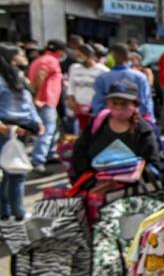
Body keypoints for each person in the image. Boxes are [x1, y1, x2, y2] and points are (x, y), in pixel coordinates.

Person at [72, 81, 164, 183]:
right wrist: (91, 181)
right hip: (97, 189)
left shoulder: (144, 131)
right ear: (108, 103)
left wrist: (126, 180)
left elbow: (154, 165)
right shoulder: (97, 124)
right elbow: (79, 153)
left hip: (133, 190)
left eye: (124, 104)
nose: (119, 107)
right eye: (115, 103)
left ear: (135, 105)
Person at [0, 45, 43, 220]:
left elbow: (28, 102)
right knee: (15, 173)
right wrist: (7, 128)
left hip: (21, 130)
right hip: (7, 130)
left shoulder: (17, 76)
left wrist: (37, 122)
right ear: (11, 57)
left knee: (11, 171)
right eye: (20, 53)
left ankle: (6, 212)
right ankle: (18, 213)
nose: (24, 56)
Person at [28, 39, 66, 173]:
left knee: (52, 130)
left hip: (47, 101)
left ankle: (49, 154)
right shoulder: (51, 60)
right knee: (46, 131)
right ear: (60, 51)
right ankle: (38, 160)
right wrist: (36, 98)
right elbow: (40, 75)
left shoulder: (40, 59)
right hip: (45, 101)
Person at [91, 43, 154, 119]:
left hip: (109, 122)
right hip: (134, 121)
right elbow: (145, 103)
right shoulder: (140, 77)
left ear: (112, 56)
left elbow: (98, 103)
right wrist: (148, 122)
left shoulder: (102, 78)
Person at [67, 44, 108, 131]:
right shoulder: (74, 68)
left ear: (90, 55)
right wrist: (71, 99)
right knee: (82, 130)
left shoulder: (102, 70)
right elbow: (71, 86)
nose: (78, 58)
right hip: (79, 107)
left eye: (80, 55)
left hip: (95, 108)